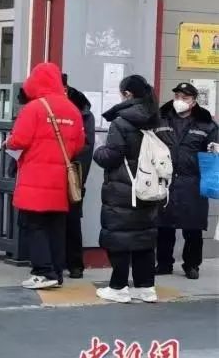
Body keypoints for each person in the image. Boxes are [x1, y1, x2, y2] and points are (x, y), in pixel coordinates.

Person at [6, 63, 85, 290]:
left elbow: (19, 140)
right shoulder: (72, 109)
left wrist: (8, 142)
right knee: (56, 228)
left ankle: (43, 271)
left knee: (34, 225)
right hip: (60, 178)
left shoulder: (34, 108)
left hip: (36, 178)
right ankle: (56, 272)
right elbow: (79, 144)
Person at [94, 75, 161, 303]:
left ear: (128, 94)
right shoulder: (157, 119)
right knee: (144, 238)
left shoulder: (121, 123)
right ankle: (146, 288)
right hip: (150, 188)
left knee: (119, 238)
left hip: (123, 189)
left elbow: (112, 156)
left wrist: (98, 151)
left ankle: (118, 287)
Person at [155, 83, 218, 279]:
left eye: (185, 98)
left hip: (193, 183)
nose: (180, 101)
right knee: (163, 226)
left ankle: (191, 265)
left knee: (193, 228)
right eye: (177, 96)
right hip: (165, 180)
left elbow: (213, 156)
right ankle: (164, 263)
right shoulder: (161, 118)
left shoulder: (206, 124)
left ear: (194, 101)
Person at [62, 74, 97, 278]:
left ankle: (75, 264)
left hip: (73, 173)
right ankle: (55, 261)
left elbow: (86, 147)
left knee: (72, 220)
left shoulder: (82, 112)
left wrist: (77, 176)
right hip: (50, 173)